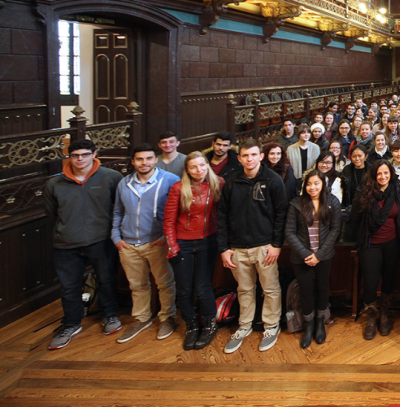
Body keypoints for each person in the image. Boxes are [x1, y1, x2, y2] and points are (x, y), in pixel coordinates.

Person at [43, 139, 123, 350]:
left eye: (85, 154)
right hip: (66, 242)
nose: (80, 159)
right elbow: (52, 213)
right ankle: (71, 323)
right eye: (75, 155)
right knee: (69, 286)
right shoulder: (54, 184)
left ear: (94, 154)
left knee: (106, 279)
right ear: (69, 157)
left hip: (100, 240)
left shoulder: (111, 177)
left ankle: (109, 315)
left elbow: (118, 207)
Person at [218, 139, 289, 354]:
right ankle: (244, 325)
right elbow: (222, 216)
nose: (249, 159)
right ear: (239, 159)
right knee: (244, 289)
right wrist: (224, 248)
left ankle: (271, 325)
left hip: (264, 246)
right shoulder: (232, 182)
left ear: (261, 156)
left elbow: (281, 214)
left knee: (270, 288)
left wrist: (276, 245)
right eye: (245, 156)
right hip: (237, 247)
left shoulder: (273, 179)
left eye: (253, 155)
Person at [111, 144, 180, 343]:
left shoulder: (170, 180)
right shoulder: (124, 183)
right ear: (133, 162)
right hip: (128, 244)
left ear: (155, 159)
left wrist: (166, 238)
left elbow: (179, 212)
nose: (144, 163)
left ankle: (167, 317)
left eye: (149, 158)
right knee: (137, 285)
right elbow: (118, 211)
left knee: (165, 283)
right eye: (140, 159)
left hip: (156, 242)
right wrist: (116, 238)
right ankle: (141, 318)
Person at [163, 151, 223, 351]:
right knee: (184, 288)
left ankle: (210, 324)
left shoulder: (218, 183)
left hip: (208, 240)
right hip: (183, 242)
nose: (199, 170)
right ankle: (191, 326)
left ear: (207, 165)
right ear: (187, 170)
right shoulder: (179, 188)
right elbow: (168, 221)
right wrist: (173, 248)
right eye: (193, 167)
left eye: (202, 165)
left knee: (203, 286)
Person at [285, 170, 343, 348]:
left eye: (316, 183)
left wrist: (319, 255)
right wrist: (306, 254)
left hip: (323, 256)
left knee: (322, 287)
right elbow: (290, 232)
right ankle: (308, 324)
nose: (312, 187)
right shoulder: (296, 203)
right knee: (306, 290)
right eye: (309, 184)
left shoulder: (332, 202)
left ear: (323, 184)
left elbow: (335, 230)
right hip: (301, 256)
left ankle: (320, 321)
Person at [353, 160, 400, 340]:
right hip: (371, 244)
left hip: (392, 243)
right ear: (374, 176)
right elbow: (355, 220)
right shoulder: (364, 193)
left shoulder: (397, 191)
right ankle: (371, 315)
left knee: (389, 280)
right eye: (379, 174)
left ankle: (384, 313)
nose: (383, 177)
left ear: (391, 174)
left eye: (386, 173)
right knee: (370, 282)